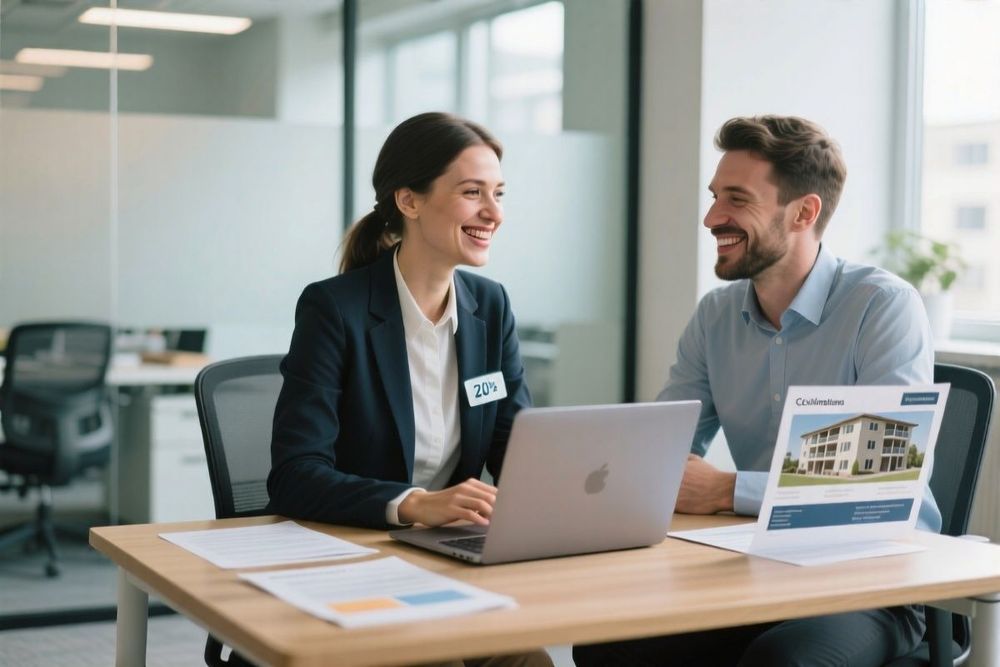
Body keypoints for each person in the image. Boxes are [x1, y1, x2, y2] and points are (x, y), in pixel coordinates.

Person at [574, 115, 938, 666]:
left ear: (804, 213)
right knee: (609, 648)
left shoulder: (882, 306)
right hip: (761, 565)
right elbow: (660, 447)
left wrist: (726, 491)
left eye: (736, 199)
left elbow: (876, 487)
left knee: (781, 661)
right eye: (714, 196)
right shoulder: (716, 315)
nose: (711, 217)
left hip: (873, 576)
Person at [268, 112, 551, 667]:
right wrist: (415, 504)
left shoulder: (490, 307)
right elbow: (295, 474)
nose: (494, 213)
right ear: (409, 201)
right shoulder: (336, 309)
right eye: (472, 193)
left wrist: (572, 494)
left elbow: (515, 447)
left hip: (446, 557)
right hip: (350, 556)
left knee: (528, 661)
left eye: (498, 193)